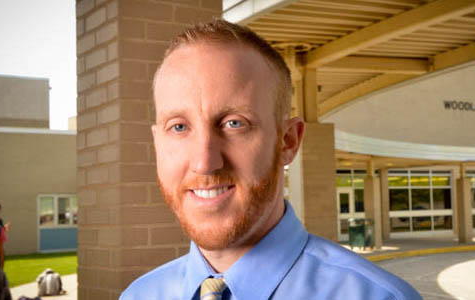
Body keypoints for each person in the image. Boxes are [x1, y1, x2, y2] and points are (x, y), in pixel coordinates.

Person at [120, 20, 421, 299]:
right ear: (157, 142)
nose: (204, 162)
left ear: (288, 141)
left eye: (234, 124)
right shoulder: (138, 296)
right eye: (179, 127)